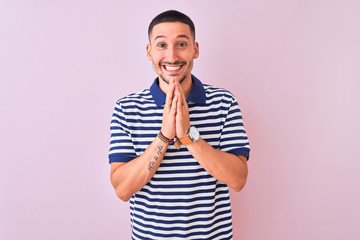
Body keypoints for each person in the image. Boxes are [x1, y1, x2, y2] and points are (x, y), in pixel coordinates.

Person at [108, 10, 250, 240]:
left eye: (181, 44)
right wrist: (164, 136)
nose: (172, 56)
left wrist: (188, 137)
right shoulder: (127, 108)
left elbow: (238, 179)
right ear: (149, 52)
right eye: (162, 45)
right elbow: (122, 190)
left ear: (195, 49)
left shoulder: (224, 102)